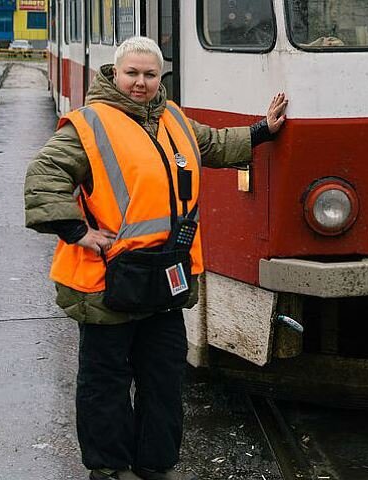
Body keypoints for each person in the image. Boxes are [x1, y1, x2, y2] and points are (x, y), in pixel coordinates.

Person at [24, 36, 288, 480]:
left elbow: (214, 145)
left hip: (165, 277)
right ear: (114, 73)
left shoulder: (174, 119)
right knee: (106, 383)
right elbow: (43, 177)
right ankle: (109, 468)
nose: (141, 83)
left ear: (159, 76)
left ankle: (156, 465)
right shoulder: (89, 124)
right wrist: (78, 232)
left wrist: (263, 129)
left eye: (150, 74)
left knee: (163, 379)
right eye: (132, 73)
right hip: (108, 280)